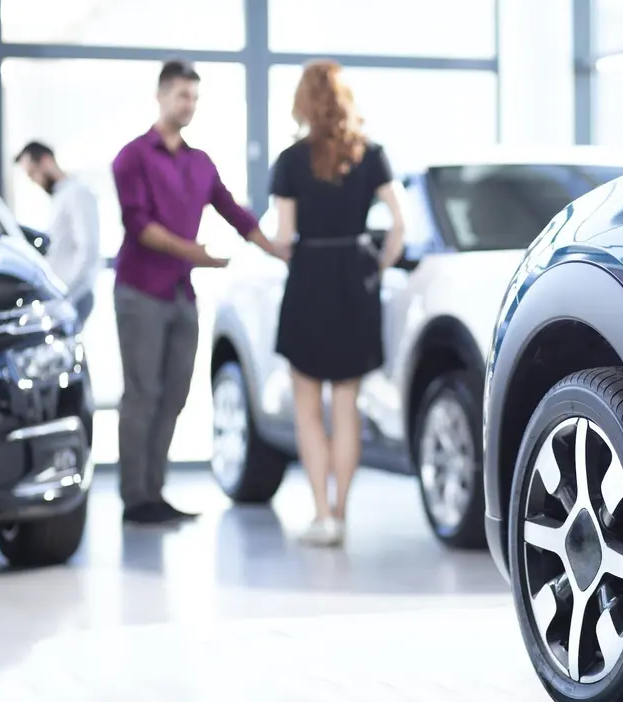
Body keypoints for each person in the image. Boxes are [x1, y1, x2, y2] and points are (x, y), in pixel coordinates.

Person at [111, 59, 287, 526]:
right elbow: (139, 225)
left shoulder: (200, 162)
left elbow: (235, 213)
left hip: (180, 294)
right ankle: (135, 498)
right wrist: (198, 254)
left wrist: (277, 249)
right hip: (140, 291)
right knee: (142, 395)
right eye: (181, 96)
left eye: (193, 97)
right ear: (161, 96)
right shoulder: (132, 157)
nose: (188, 105)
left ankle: (155, 491)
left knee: (175, 394)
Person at [271, 60, 406, 547]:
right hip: (354, 279)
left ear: (303, 102)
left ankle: (322, 515)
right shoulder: (371, 154)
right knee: (346, 403)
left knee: (308, 407)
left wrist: (267, 245)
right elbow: (400, 223)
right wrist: (378, 266)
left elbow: (284, 236)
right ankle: (342, 515)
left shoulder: (290, 161)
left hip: (309, 277)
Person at [14, 141, 101, 326]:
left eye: (33, 173)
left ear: (46, 161)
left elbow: (89, 248)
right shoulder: (60, 197)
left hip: (73, 295)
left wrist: (65, 294)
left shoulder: (77, 193)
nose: (34, 180)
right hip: (64, 295)